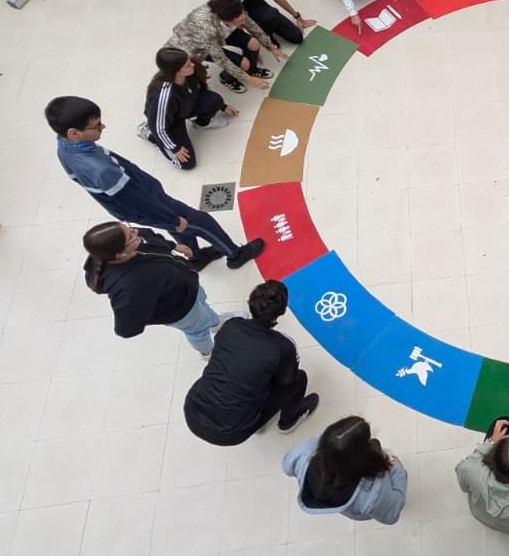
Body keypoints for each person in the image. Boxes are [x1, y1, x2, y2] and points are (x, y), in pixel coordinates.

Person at [46, 96, 264, 271]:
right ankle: (234, 254)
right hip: (147, 202)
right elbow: (137, 200)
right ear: (74, 133)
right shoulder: (99, 169)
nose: (103, 126)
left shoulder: (65, 149)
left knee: (179, 227)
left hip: (140, 200)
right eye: (96, 126)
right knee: (199, 221)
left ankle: (196, 258)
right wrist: (172, 219)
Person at [184, 280, 320, 444]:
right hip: (231, 431)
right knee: (299, 379)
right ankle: (289, 421)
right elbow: (286, 381)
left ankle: (256, 420)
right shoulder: (282, 346)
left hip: (193, 410)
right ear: (283, 311)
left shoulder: (230, 326)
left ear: (250, 303)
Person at [82, 221, 230, 355]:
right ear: (120, 254)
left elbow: (149, 235)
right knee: (198, 330)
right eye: (130, 236)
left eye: (129, 228)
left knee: (202, 306)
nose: (136, 231)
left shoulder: (128, 243)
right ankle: (208, 351)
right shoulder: (129, 286)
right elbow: (126, 328)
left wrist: (174, 246)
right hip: (181, 310)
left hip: (188, 286)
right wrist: (158, 312)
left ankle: (215, 323)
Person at [282, 416, 407, 525]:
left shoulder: (301, 453)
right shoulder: (373, 496)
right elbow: (392, 514)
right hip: (366, 505)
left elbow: (287, 467)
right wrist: (397, 469)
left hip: (348, 506)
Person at [166, 0, 287, 96]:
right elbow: (221, 60)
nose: (244, 23)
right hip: (197, 47)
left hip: (220, 34)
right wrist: (249, 80)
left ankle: (251, 70)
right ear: (226, 21)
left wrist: (270, 46)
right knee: (244, 63)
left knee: (253, 43)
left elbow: (251, 25)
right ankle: (227, 78)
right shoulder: (207, 30)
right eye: (240, 22)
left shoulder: (233, 9)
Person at [141, 47, 237, 171]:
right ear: (176, 71)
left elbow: (203, 89)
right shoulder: (163, 96)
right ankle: (151, 136)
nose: (192, 64)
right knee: (187, 163)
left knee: (215, 100)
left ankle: (201, 123)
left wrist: (222, 106)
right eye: (187, 65)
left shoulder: (191, 71)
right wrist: (174, 148)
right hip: (170, 123)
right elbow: (158, 127)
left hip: (186, 106)